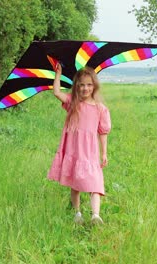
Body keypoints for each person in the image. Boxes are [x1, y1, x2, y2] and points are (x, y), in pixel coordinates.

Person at [47, 63, 111, 225]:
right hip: (75, 149)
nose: (85, 88)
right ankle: (77, 213)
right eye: (81, 85)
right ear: (76, 86)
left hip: (90, 151)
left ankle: (96, 215)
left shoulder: (100, 108)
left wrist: (104, 153)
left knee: (95, 183)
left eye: (89, 85)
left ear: (94, 86)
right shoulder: (72, 102)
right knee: (75, 183)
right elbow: (56, 92)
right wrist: (58, 74)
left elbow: (103, 132)